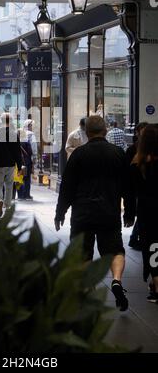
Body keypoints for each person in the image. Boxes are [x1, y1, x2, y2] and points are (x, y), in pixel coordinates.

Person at [55, 115, 133, 311]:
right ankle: (116, 280)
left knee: (82, 253)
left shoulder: (79, 155)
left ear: (86, 132)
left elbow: (67, 187)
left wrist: (60, 213)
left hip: (83, 212)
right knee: (115, 250)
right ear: (105, 130)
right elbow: (128, 186)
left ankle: (86, 290)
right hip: (109, 211)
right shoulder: (118, 153)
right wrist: (130, 212)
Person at [126, 124, 158, 303]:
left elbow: (130, 193)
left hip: (147, 212)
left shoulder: (137, 165)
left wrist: (129, 215)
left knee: (153, 248)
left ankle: (155, 283)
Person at [0, 113, 22, 217]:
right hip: (10, 164)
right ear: (11, 121)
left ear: (1, 121)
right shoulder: (14, 134)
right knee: (9, 185)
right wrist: (19, 166)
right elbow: (18, 152)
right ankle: (7, 206)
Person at [125, 122, 148, 250]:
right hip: (138, 188)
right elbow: (129, 173)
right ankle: (135, 238)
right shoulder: (133, 150)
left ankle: (135, 238)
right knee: (142, 213)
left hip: (141, 189)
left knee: (143, 214)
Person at [17, 129, 33, 201]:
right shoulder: (26, 142)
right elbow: (30, 152)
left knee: (19, 178)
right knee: (27, 179)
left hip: (19, 163)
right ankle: (27, 195)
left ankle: (20, 195)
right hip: (27, 163)